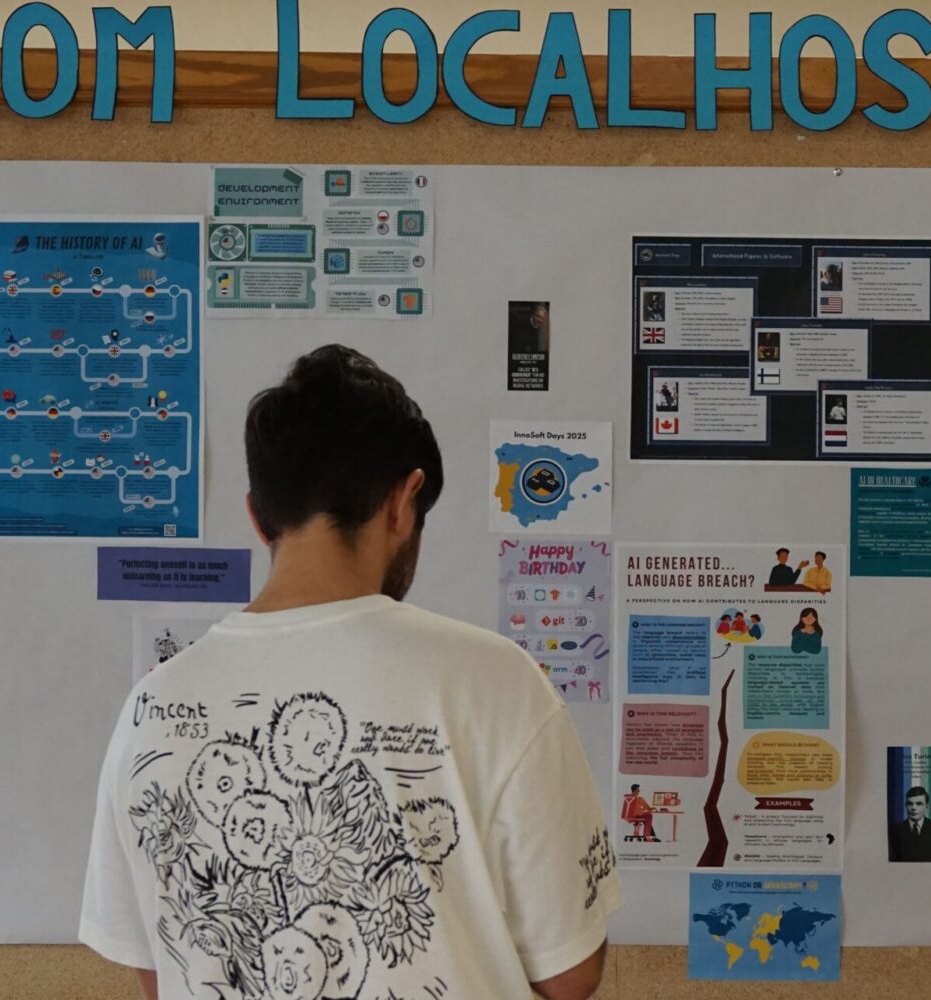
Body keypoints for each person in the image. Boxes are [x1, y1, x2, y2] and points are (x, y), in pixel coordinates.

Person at [80, 346, 618, 1000]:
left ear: (257, 517)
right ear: (404, 502)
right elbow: (569, 973)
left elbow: (159, 972)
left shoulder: (151, 709)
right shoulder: (496, 682)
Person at [888, 785, 931, 862]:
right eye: (910, 803)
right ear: (906, 805)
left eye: (919, 803)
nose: (913, 808)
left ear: (927, 806)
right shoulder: (894, 831)